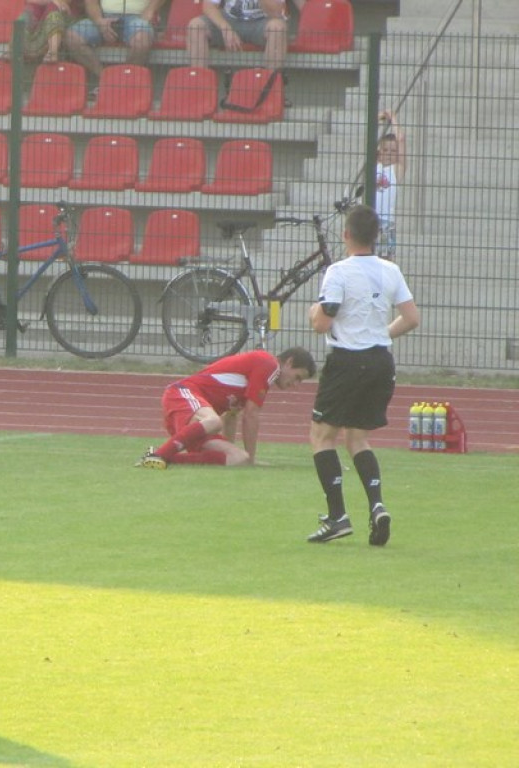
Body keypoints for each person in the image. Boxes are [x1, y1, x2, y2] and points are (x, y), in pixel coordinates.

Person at [306, 204, 420, 545]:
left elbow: (322, 322)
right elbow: (412, 318)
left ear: (346, 235)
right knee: (357, 438)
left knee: (322, 436)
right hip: (381, 361)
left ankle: (338, 516)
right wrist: (380, 333)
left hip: (347, 362)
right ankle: (377, 506)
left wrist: (313, 311)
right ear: (376, 236)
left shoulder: (338, 272)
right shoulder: (391, 270)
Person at [137, 347, 316, 468]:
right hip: (182, 394)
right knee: (214, 421)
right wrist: (253, 458)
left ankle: (167, 458)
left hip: (195, 424)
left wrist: (236, 453)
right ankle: (160, 454)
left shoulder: (251, 381)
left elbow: (231, 416)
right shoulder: (270, 366)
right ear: (289, 363)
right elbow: (251, 415)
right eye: (298, 377)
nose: (296, 384)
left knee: (239, 459)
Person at [64, 0, 164, 96]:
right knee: (72, 37)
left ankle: (123, 82)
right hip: (105, 17)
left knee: (141, 41)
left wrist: (150, 10)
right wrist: (99, 21)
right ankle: (106, 79)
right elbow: (91, 2)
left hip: (138, 18)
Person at [188, 0, 305, 71]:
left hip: (261, 22)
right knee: (196, 26)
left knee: (278, 29)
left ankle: (271, 86)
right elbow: (208, 6)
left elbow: (276, 13)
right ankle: (198, 85)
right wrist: (225, 28)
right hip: (230, 20)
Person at [375, 109, 406, 260]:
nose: (388, 153)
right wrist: (377, 119)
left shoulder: (396, 170)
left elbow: (400, 139)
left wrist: (393, 117)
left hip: (387, 222)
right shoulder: (374, 166)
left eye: (393, 151)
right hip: (371, 220)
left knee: (387, 260)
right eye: (385, 149)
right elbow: (370, 140)